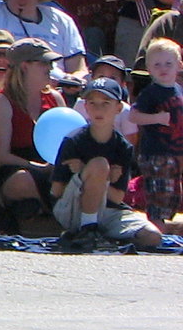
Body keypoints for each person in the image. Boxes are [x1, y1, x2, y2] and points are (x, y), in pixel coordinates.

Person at [51, 76, 162, 248]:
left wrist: (102, 180)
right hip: (73, 209)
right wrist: (86, 174)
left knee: (152, 237)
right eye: (92, 103)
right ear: (85, 106)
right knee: (99, 164)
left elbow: (117, 198)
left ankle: (102, 235)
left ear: (119, 108)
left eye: (105, 103)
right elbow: (56, 191)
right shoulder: (73, 141)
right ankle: (87, 229)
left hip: (108, 211)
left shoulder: (123, 146)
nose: (98, 109)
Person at [0, 38, 65, 231]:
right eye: (43, 63)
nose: (50, 68)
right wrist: (38, 168)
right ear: (24, 66)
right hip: (9, 171)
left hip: (49, 168)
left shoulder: (55, 99)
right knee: (23, 180)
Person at [133, 36, 183, 230]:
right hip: (155, 153)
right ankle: (155, 232)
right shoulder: (151, 92)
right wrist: (156, 118)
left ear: (179, 65)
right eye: (157, 64)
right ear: (149, 68)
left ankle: (163, 230)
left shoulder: (178, 90)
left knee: (172, 195)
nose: (163, 68)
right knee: (158, 196)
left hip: (175, 152)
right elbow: (134, 116)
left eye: (168, 64)